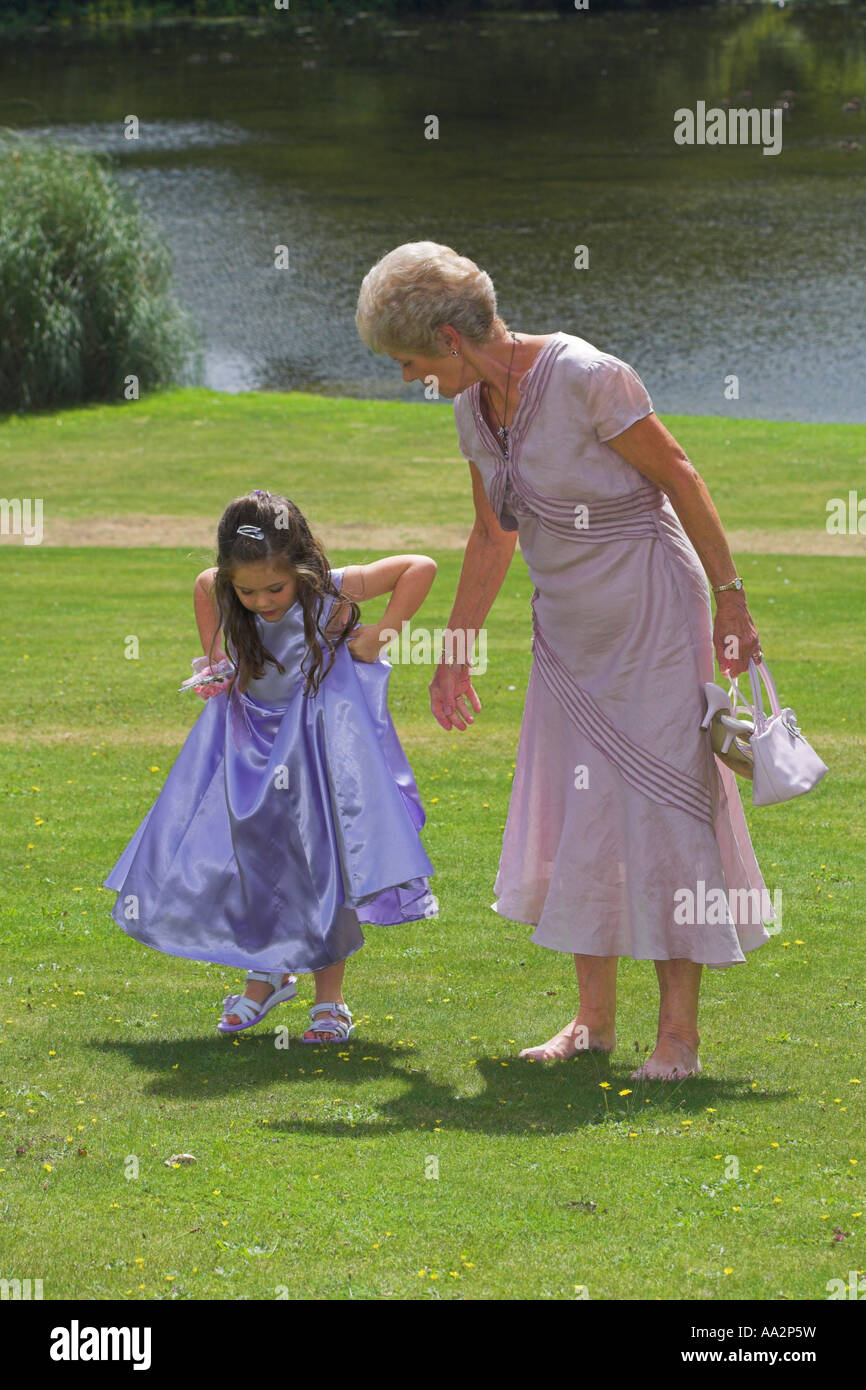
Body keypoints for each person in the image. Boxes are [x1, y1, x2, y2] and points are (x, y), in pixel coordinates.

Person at [356, 241, 773, 1080]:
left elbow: (681, 476)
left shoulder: (588, 375)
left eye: (408, 360)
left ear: (448, 334)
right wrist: (457, 654)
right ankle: (592, 1022)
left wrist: (731, 599)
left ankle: (679, 1039)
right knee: (582, 813)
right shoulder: (472, 409)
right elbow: (492, 534)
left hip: (654, 616)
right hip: (568, 638)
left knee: (666, 810)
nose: (408, 377)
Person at [103, 489, 438, 1042]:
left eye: (274, 588)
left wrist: (382, 634)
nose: (261, 601)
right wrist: (218, 663)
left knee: (323, 864)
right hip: (250, 745)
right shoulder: (224, 590)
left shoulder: (330, 588)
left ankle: (329, 1000)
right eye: (248, 590)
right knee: (253, 855)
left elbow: (418, 568)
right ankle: (266, 974)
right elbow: (206, 587)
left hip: (316, 748)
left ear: (300, 567)